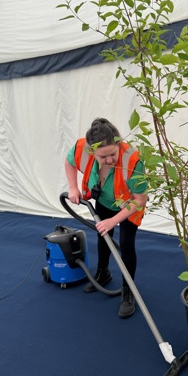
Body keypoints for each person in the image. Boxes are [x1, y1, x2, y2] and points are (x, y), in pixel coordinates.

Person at [64, 118, 148, 318]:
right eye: (103, 157)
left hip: (128, 204)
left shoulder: (133, 160)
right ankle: (103, 273)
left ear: (119, 144)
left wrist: (114, 220)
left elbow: (140, 199)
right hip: (103, 199)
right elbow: (69, 162)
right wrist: (73, 187)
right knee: (103, 237)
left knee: (126, 244)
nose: (110, 160)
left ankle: (128, 291)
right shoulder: (82, 148)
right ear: (92, 153)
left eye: (113, 154)